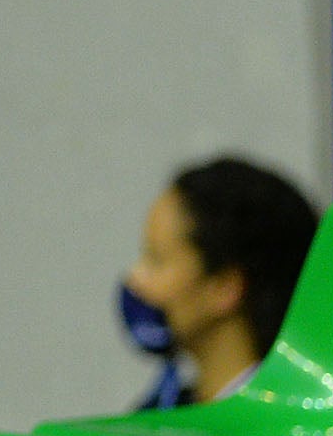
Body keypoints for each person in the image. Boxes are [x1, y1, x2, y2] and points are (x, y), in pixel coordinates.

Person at [118, 155, 318, 410]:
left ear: (225, 287)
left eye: (156, 260)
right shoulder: (160, 413)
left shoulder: (282, 426)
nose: (135, 278)